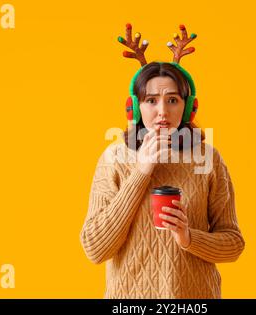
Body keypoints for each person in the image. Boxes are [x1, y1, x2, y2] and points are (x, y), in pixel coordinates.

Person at [80, 24, 245, 298]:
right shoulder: (115, 159)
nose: (162, 112)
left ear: (188, 106)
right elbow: (95, 249)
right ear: (135, 107)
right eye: (151, 100)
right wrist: (141, 172)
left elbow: (233, 244)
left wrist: (189, 238)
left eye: (172, 100)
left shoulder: (208, 159)